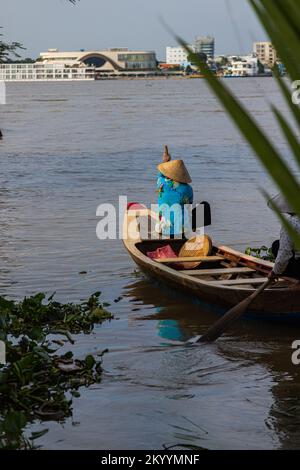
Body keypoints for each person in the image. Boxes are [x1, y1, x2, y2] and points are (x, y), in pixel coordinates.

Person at [156, 146, 193, 237]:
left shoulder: (161, 183)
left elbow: (161, 173)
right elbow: (188, 207)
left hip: (163, 228)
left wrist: (165, 161)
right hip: (182, 229)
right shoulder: (188, 189)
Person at [268, 194, 300, 280]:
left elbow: (285, 252)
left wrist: (275, 272)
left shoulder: (291, 223)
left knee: (276, 245)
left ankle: (296, 278)